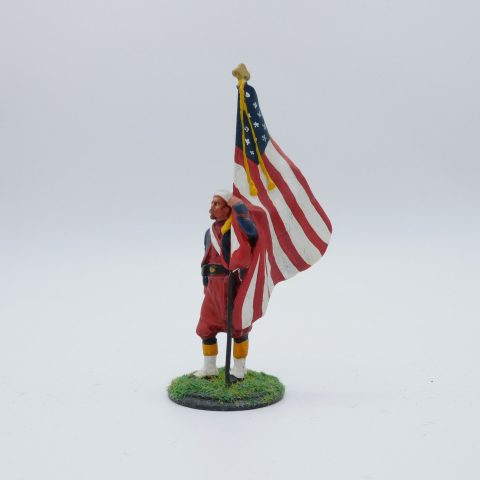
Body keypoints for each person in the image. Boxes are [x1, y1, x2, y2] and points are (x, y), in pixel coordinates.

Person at [194, 189, 258, 380]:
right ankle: (210, 368)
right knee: (205, 327)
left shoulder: (237, 230)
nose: (212, 207)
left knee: (238, 327)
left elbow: (253, 233)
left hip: (232, 284)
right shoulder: (209, 233)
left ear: (227, 208)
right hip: (213, 287)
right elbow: (207, 258)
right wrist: (205, 282)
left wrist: (240, 208)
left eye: (217, 204)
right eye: (212, 203)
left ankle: (239, 370)